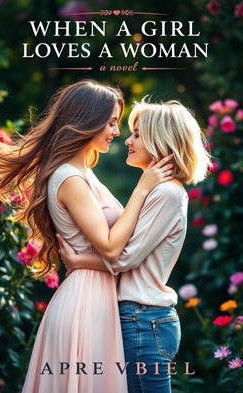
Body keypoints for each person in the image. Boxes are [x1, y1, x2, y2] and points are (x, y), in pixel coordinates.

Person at [0, 80, 175, 393]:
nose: (116, 133)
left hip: (96, 293)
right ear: (87, 120)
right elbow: (111, 247)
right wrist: (143, 187)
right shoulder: (69, 178)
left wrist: (79, 259)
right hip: (85, 302)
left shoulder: (84, 172)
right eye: (112, 123)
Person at [56, 99, 211, 393]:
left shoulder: (166, 192)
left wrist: (78, 262)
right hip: (142, 318)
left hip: (144, 318)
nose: (127, 139)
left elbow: (125, 258)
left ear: (160, 140)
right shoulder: (159, 190)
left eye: (137, 134)